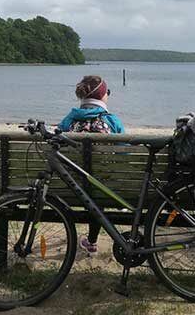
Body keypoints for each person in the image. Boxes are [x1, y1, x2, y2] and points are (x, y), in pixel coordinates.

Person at [58, 75, 125, 254]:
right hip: (104, 187)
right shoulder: (112, 121)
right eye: (107, 92)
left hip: (71, 187)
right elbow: (125, 154)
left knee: (90, 185)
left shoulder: (68, 120)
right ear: (103, 96)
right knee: (98, 187)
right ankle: (92, 241)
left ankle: (90, 242)